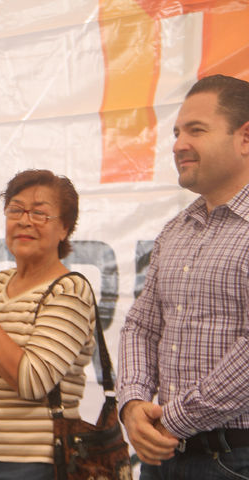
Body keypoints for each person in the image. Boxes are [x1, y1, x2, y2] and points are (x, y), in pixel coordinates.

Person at [117, 74, 249, 479]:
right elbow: (142, 326)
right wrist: (133, 403)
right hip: (163, 455)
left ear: (245, 138)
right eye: (176, 133)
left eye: (196, 130)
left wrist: (173, 419)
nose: (177, 145)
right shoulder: (175, 230)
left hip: (234, 460)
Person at [0, 169, 96, 480]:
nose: (25, 221)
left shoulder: (69, 290)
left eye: (39, 213)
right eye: (15, 210)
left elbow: (32, 381)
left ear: (64, 228)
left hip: (35, 464)